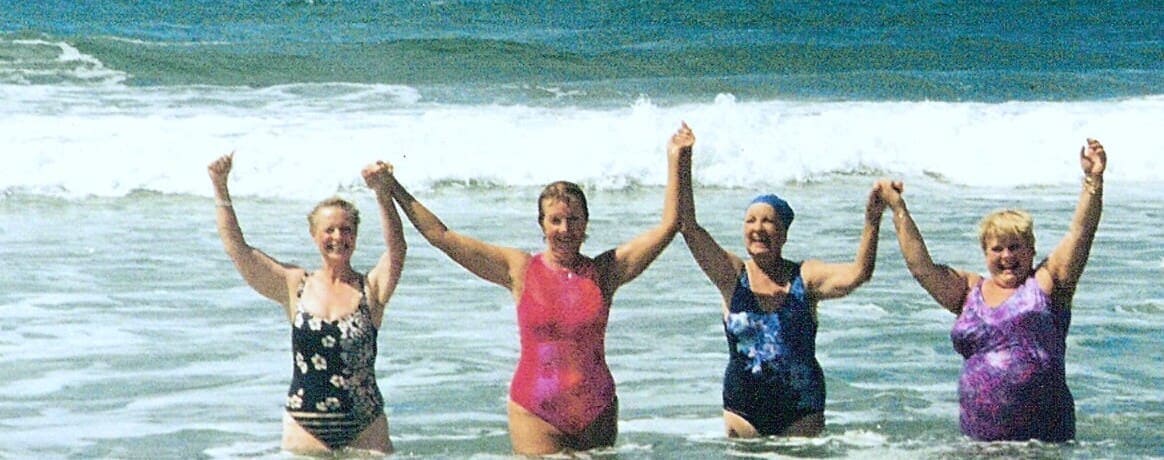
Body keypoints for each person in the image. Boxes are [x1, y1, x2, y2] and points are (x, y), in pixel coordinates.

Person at [379, 123, 691, 455]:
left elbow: (670, 225)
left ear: (586, 223)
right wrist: (392, 186)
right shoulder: (520, 269)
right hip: (536, 412)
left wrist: (678, 160)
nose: (565, 229)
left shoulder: (605, 271)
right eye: (555, 220)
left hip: (597, 409)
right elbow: (442, 236)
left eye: (573, 220)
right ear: (541, 224)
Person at [875, 138, 1107, 442]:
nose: (1007, 256)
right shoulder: (969, 292)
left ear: (1032, 250)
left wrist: (1094, 179)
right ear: (985, 253)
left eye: (1016, 247)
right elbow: (923, 269)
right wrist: (898, 208)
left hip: (1044, 444)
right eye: (998, 248)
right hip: (980, 444)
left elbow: (1081, 232)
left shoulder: (1048, 285)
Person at [676, 151, 887, 437]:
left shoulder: (806, 277)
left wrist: (872, 221)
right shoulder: (732, 276)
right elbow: (688, 226)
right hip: (744, 413)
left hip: (801, 413)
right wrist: (682, 160)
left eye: (768, 221)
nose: (758, 228)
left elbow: (858, 274)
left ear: (784, 233)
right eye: (750, 220)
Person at [208, 153, 405, 455]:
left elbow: (397, 249)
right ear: (314, 236)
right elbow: (239, 251)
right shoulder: (294, 285)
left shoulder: (370, 288)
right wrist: (220, 187)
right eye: (329, 230)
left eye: (347, 230)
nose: (338, 237)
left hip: (366, 425)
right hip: (305, 425)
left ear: (355, 236)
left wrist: (382, 192)